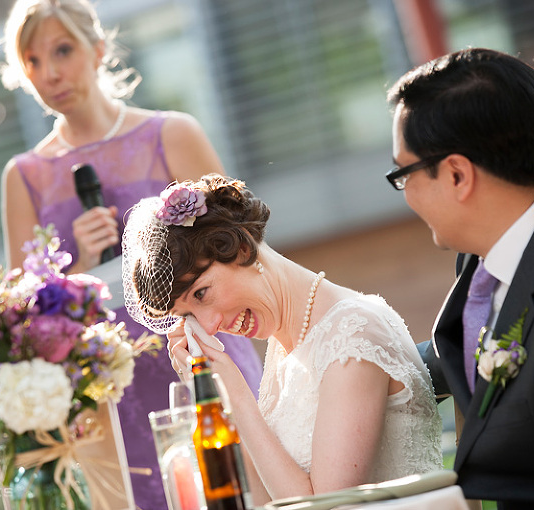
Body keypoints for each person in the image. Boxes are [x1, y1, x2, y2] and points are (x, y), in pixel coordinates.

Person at [0, 1, 263, 507]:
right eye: (32, 61)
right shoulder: (23, 176)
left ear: (98, 51)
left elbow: (241, 249)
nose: (49, 73)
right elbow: (20, 319)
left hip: (198, 351)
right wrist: (74, 267)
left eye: (63, 50)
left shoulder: (171, 134)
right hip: (103, 392)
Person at [121, 174, 443, 504]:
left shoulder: (353, 332)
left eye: (201, 294)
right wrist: (219, 401)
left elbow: (324, 507)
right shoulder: (285, 349)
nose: (210, 325)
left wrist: (238, 395)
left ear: (241, 247)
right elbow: (263, 501)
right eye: (187, 315)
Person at [387, 47, 534, 509]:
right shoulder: (490, 244)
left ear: (458, 174)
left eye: (403, 174)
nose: (405, 196)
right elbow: (465, 353)